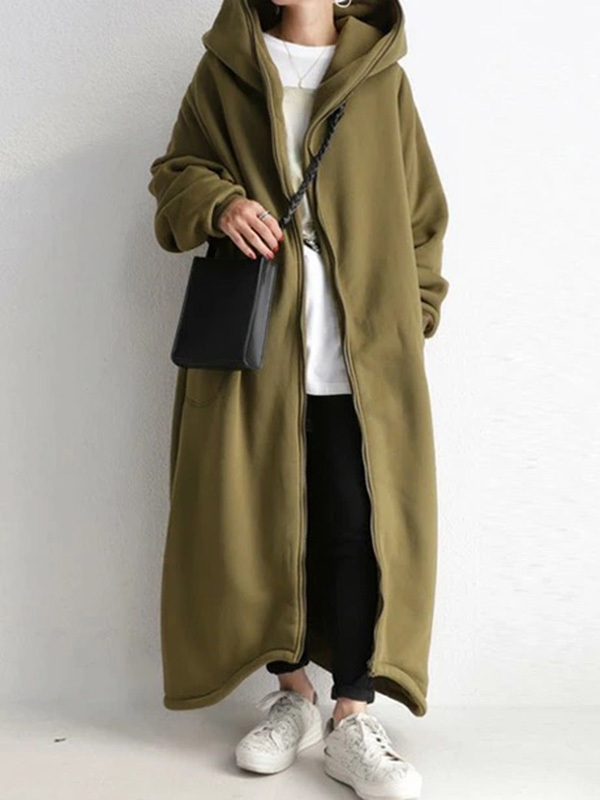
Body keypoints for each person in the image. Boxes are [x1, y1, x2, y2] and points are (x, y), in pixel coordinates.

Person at [147, 1, 449, 798]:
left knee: (357, 524)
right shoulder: (226, 70)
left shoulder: (381, 80)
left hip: (361, 355)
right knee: (264, 521)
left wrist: (413, 313)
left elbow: (422, 215)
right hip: (256, 355)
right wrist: (219, 203)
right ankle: (293, 696)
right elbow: (174, 173)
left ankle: (352, 713)